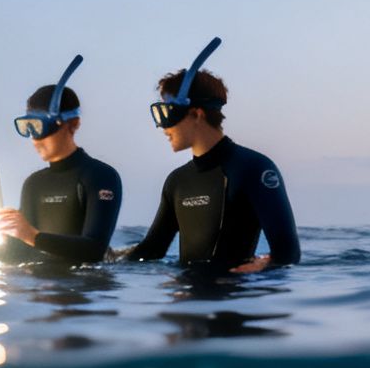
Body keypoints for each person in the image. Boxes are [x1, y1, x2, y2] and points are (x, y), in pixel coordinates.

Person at [123, 37, 299, 272]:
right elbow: (151, 250)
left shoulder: (254, 168)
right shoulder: (176, 181)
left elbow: (287, 253)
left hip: (232, 300)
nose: (163, 127)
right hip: (183, 303)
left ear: (197, 114)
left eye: (167, 114)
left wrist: (266, 265)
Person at [0, 55, 123, 264]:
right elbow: (17, 257)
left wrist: (31, 236)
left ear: (72, 124)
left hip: (86, 292)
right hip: (38, 290)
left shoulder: (100, 176)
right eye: (28, 128)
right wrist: (8, 239)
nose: (34, 139)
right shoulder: (33, 183)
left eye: (40, 127)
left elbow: (94, 250)